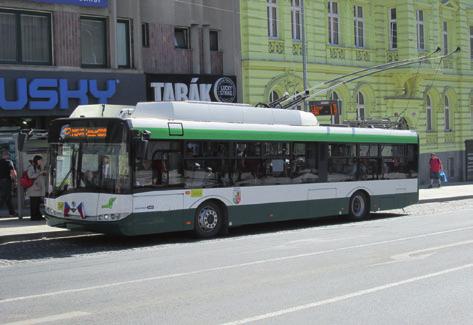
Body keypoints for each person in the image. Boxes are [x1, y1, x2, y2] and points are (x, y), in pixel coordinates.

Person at [26, 155, 46, 221]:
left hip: (38, 189)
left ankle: (38, 216)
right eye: (40, 160)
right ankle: (34, 216)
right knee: (34, 204)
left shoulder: (38, 167)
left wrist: (42, 170)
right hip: (33, 189)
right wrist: (40, 173)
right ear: (37, 160)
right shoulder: (31, 167)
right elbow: (30, 176)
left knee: (37, 203)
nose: (41, 161)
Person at [0, 150, 17, 217]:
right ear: (7, 156)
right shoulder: (9, 162)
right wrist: (15, 181)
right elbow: (13, 172)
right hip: (6, 181)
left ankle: (12, 212)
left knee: (8, 197)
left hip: (1, 181)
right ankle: (12, 213)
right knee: (3, 197)